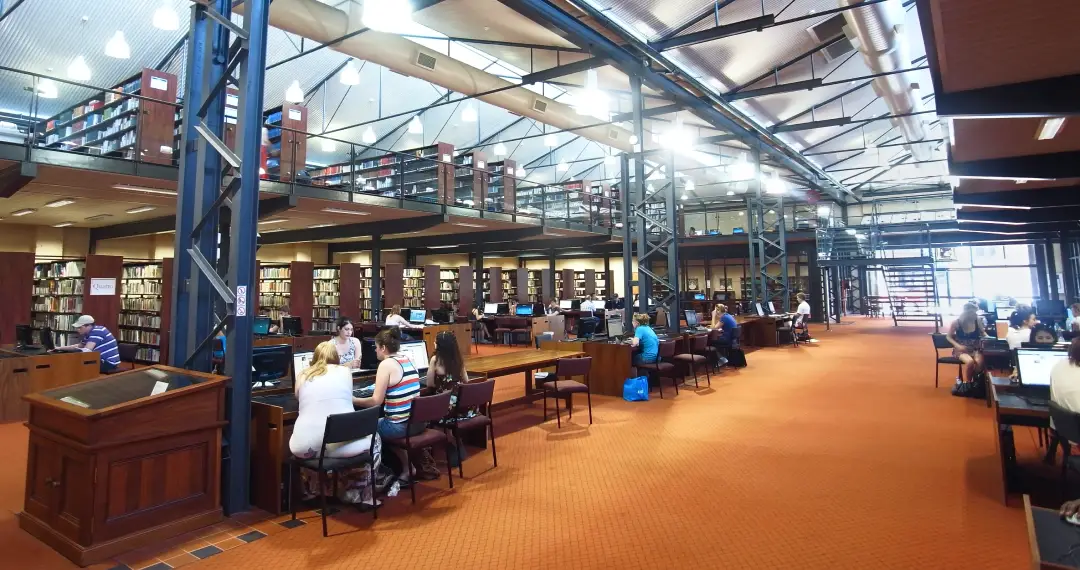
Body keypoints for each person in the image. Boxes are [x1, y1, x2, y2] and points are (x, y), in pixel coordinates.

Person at [289, 342, 381, 505]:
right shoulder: (345, 372)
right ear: (336, 358)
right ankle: (366, 497)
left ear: (314, 358)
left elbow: (298, 396)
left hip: (304, 448)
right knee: (376, 440)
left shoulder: (303, 374)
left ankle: (316, 490)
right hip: (339, 447)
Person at [353, 328, 426, 484]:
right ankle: (407, 467)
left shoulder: (386, 364)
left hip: (399, 427)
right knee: (380, 423)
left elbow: (375, 402)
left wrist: (353, 399)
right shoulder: (407, 358)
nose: (375, 350)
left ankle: (373, 475)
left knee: (363, 427)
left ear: (384, 348)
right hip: (418, 423)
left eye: (376, 347)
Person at [947, 302, 987, 385]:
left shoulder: (977, 321)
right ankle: (969, 383)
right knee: (970, 362)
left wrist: (990, 338)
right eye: (972, 312)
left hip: (975, 348)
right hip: (961, 349)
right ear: (966, 312)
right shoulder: (956, 322)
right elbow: (948, 337)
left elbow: (983, 333)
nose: (974, 314)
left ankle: (975, 381)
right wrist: (958, 345)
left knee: (979, 362)